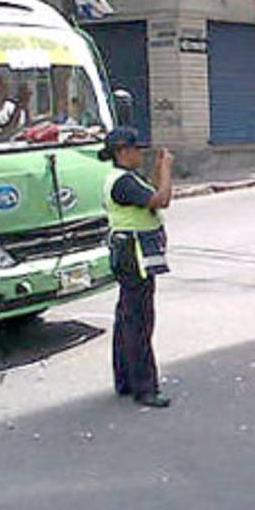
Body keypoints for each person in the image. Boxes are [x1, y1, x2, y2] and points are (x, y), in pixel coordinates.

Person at [100, 126, 174, 409]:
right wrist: (167, 168)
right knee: (139, 323)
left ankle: (126, 380)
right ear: (121, 152)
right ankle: (145, 388)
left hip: (133, 253)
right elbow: (161, 199)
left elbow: (151, 193)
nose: (139, 154)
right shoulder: (123, 182)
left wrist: (158, 170)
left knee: (127, 319)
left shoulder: (127, 178)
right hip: (134, 256)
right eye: (135, 149)